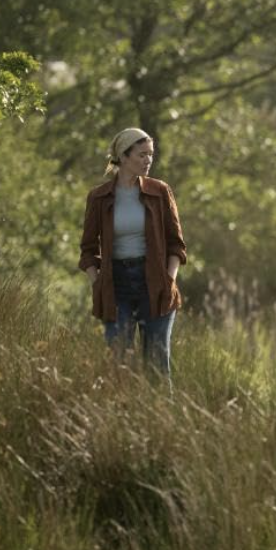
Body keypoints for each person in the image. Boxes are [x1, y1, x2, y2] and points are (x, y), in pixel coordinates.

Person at [78, 127, 187, 378]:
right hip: (115, 286)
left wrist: (170, 279)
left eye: (151, 154)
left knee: (157, 368)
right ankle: (122, 417)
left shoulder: (160, 191)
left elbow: (176, 244)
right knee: (120, 367)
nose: (148, 160)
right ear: (123, 157)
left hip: (156, 283)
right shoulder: (99, 197)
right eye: (141, 155)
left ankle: (161, 418)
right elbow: (88, 249)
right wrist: (97, 282)